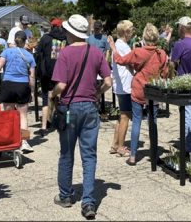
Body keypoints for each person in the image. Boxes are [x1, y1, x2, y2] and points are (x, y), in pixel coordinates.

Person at [50, 14, 111, 220]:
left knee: (66, 153)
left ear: (70, 33)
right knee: (89, 155)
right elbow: (108, 82)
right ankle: (88, 202)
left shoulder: (65, 54)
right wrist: (97, 93)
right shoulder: (95, 52)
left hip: (69, 108)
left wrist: (52, 95)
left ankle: (66, 196)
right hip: (90, 108)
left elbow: (61, 85)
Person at [109, 23, 169, 166]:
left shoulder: (138, 52)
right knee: (152, 122)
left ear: (144, 37)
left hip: (138, 90)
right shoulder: (161, 54)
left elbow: (120, 60)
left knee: (136, 121)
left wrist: (112, 47)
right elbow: (165, 73)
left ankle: (133, 156)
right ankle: (154, 154)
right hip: (153, 91)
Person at [0, 33, 36, 152]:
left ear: (14, 40)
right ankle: (24, 142)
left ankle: (8, 140)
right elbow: (32, 77)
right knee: (23, 116)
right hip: (23, 85)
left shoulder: (7, 52)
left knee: (8, 115)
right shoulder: (29, 56)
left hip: (8, 84)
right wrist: (32, 91)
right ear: (25, 41)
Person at [170, 16, 191, 153]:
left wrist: (170, 75)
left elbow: (172, 63)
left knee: (188, 115)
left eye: (179, 27)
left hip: (184, 85)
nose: (178, 29)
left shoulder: (181, 44)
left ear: (182, 28)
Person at [35, 18, 67, 136]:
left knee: (45, 98)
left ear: (51, 26)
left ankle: (44, 126)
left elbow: (38, 54)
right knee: (61, 97)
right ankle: (62, 123)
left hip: (47, 73)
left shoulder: (45, 38)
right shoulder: (66, 39)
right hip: (62, 72)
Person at [108, 20, 134, 158]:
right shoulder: (122, 46)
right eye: (131, 29)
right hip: (125, 85)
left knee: (121, 115)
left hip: (120, 85)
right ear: (125, 31)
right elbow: (130, 63)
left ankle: (115, 144)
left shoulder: (119, 45)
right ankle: (121, 147)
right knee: (125, 116)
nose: (133, 31)